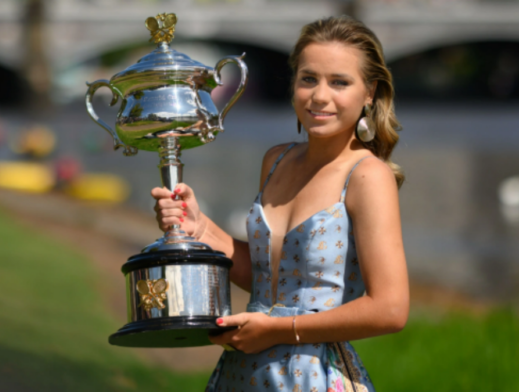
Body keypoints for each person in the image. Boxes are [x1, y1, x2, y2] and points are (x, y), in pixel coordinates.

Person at [152, 16, 409, 392]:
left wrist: (278, 330)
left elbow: (390, 309)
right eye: (309, 79)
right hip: (244, 373)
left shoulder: (368, 176)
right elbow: (268, 281)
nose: (320, 96)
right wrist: (200, 228)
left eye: (339, 82)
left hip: (311, 377)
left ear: (369, 92)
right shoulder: (276, 160)